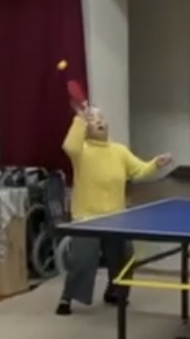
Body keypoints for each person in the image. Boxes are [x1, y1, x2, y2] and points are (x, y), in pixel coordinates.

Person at [57, 102, 172, 316]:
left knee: (124, 256)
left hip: (116, 217)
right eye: (93, 119)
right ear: (85, 127)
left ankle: (115, 291)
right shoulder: (81, 151)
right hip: (87, 218)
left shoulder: (119, 151)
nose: (99, 122)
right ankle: (68, 297)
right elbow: (69, 146)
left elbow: (139, 170)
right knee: (82, 261)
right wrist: (80, 119)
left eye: (101, 118)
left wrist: (156, 163)